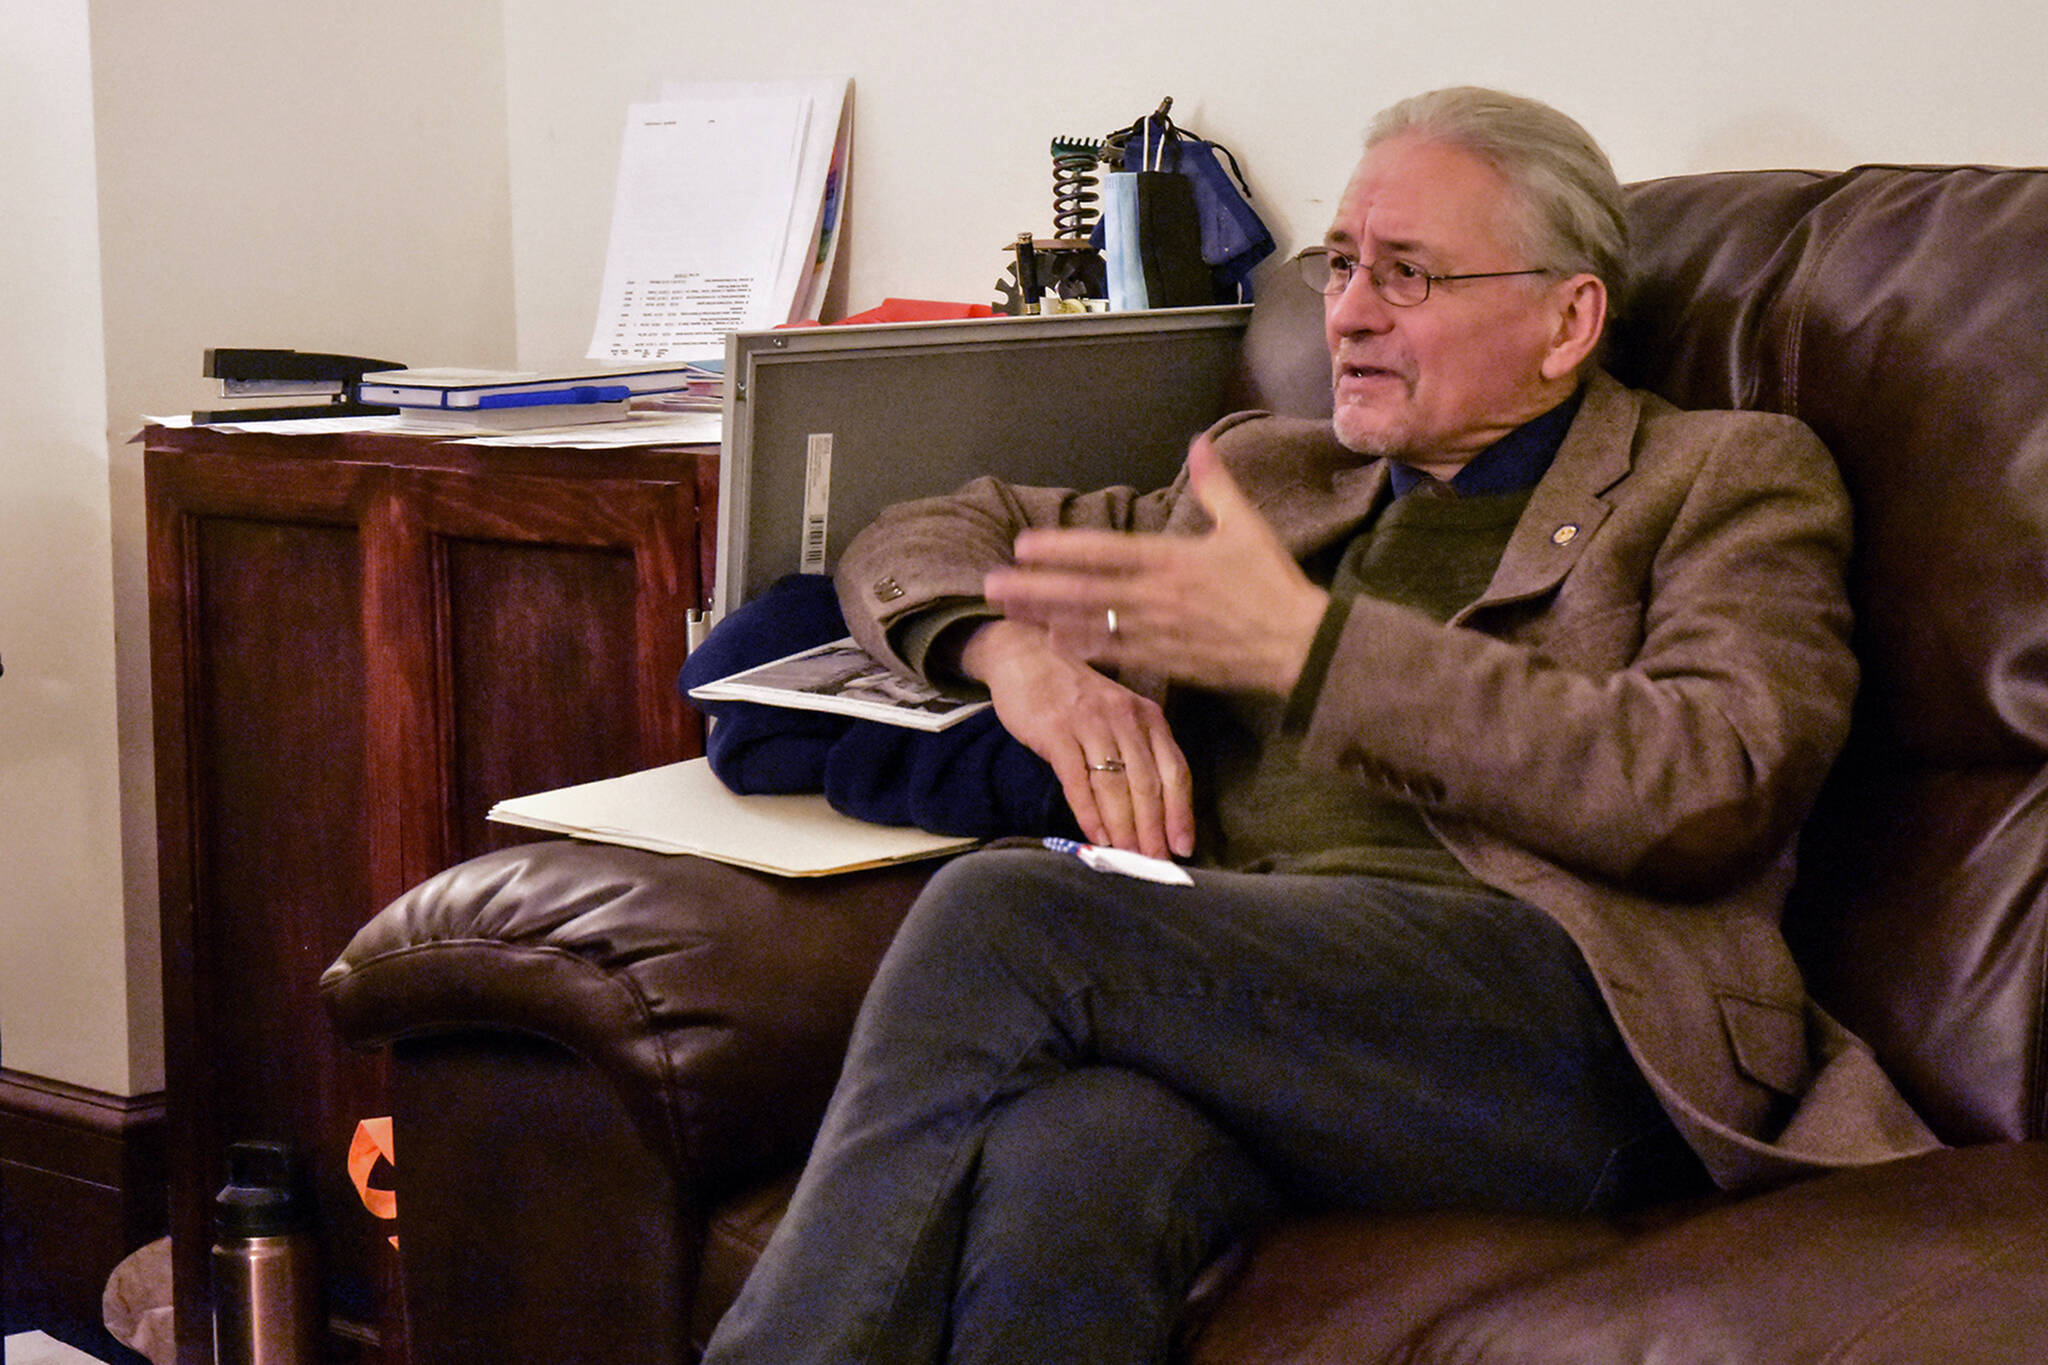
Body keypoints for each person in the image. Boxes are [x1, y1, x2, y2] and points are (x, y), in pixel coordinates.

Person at [700, 86, 1936, 1365]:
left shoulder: (1721, 478)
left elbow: (1706, 781)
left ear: (1566, 320)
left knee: (1007, 912)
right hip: (1276, 1011)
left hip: (1569, 1027)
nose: (1344, 313)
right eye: (1341, 266)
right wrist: (1013, 657)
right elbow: (922, 531)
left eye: (1406, 278)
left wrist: (1313, 652)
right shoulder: (1273, 480)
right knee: (1070, 1154)